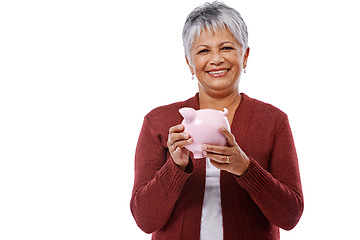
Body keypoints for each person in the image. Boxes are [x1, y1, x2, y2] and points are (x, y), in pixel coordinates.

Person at [130, 2, 304, 239]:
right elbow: (145, 220)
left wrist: (246, 168)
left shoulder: (273, 121)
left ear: (245, 56)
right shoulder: (158, 122)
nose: (216, 59)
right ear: (189, 62)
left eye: (226, 48)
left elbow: (290, 216)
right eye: (203, 51)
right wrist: (176, 166)